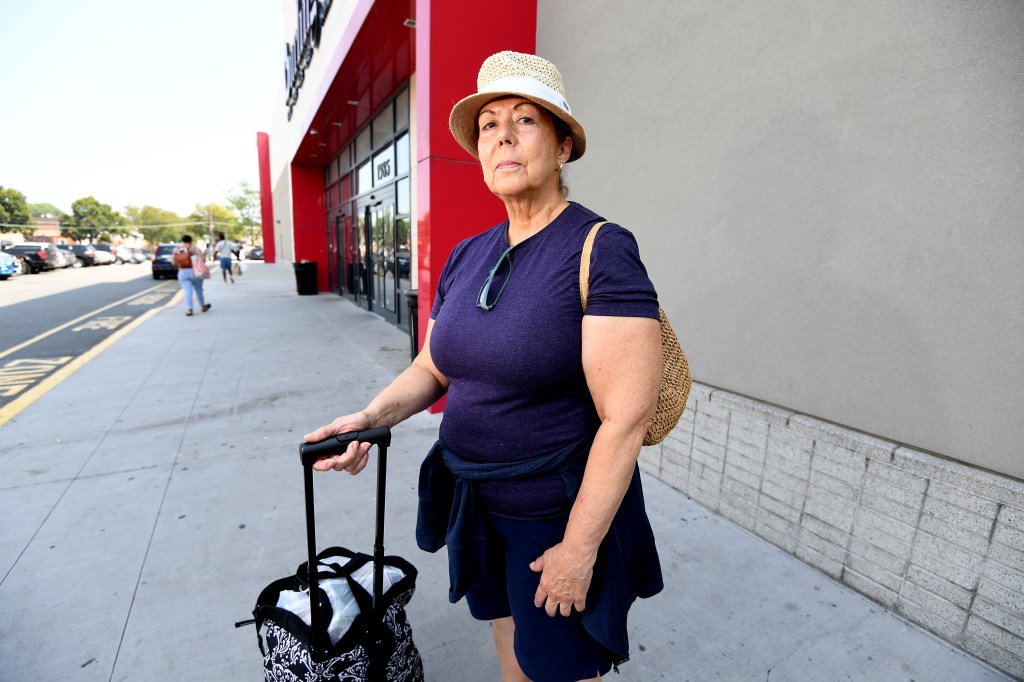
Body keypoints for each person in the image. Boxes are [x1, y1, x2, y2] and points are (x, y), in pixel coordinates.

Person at [305, 51, 664, 682]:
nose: (502, 133)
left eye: (525, 119)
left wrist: (579, 549)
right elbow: (433, 368)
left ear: (562, 146)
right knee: (507, 639)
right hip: (473, 494)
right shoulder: (468, 253)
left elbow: (625, 419)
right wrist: (368, 417)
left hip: (554, 510)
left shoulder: (600, 249)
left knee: (558, 666)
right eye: (489, 124)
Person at [175, 234, 211, 316]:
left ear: (182, 241)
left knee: (187, 291)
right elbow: (203, 259)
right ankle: (203, 306)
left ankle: (189, 309)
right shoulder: (194, 248)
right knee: (199, 290)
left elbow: (173, 261)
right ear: (191, 241)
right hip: (195, 271)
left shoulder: (177, 249)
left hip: (182, 271)